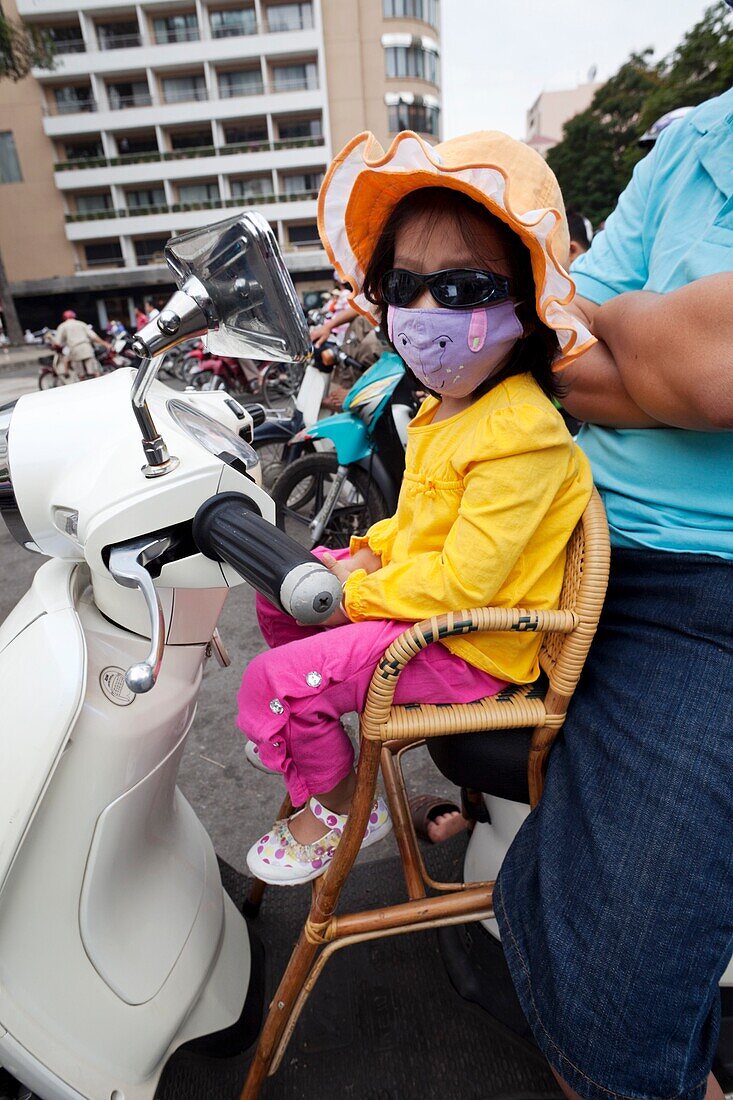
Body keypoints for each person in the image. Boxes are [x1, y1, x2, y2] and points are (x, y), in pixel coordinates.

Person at [237, 129, 594, 887]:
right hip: (431, 616)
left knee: (271, 680)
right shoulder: (445, 410)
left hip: (471, 648)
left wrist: (354, 594)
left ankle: (340, 801)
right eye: (402, 288)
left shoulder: (520, 432)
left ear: (528, 305)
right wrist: (362, 552)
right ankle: (316, 741)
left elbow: (465, 584)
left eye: (461, 289)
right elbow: (419, 521)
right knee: (284, 598)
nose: (422, 311)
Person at [494, 88, 733, 1100]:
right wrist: (652, 340)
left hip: (702, 592)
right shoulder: (693, 137)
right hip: (576, 550)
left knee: (611, 1017)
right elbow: (548, 339)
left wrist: (612, 329)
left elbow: (711, 371)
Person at [53, 310, 109, 380]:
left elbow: (57, 343)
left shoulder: (62, 326)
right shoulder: (81, 324)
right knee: (95, 372)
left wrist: (55, 347)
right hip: (86, 348)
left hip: (75, 350)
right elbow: (93, 336)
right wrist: (104, 343)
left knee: (80, 375)